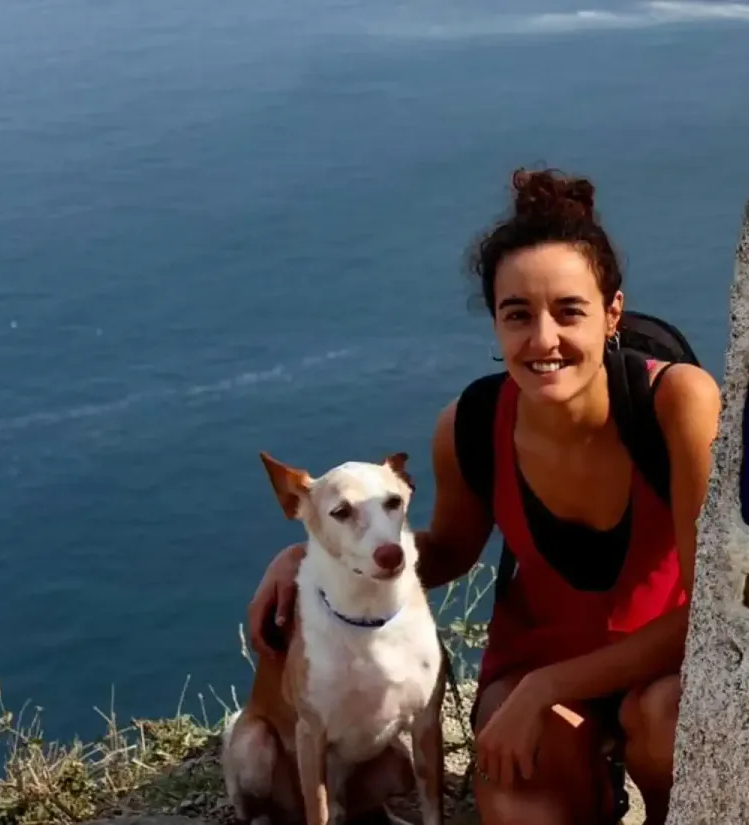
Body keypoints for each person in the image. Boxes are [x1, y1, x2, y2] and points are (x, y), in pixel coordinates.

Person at [246, 167, 721, 825]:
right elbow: (444, 550)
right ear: (495, 324)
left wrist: (547, 688)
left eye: (570, 311)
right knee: (519, 803)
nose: (543, 339)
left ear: (613, 313)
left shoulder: (678, 403)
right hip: (538, 654)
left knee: (664, 720)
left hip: (656, 663)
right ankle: (588, 780)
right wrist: (315, 558)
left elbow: (714, 609)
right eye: (517, 314)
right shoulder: (471, 425)